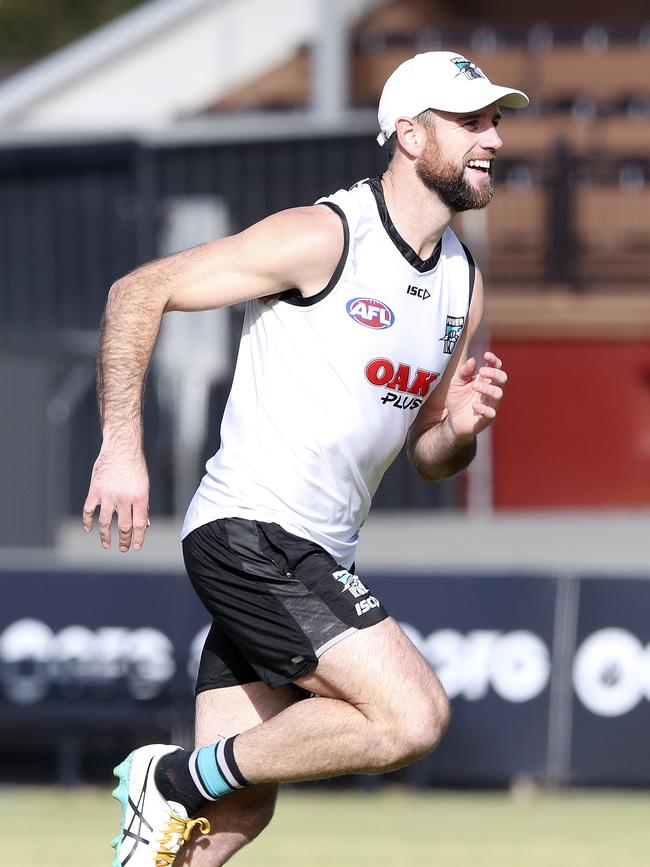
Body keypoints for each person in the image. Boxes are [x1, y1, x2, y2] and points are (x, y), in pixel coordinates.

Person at [83, 50, 527, 867]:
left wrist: (459, 427)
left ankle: (187, 794)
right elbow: (136, 291)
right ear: (406, 131)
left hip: (315, 550)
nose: (492, 136)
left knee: (236, 814)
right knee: (412, 714)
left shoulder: (463, 283)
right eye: (470, 120)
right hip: (252, 531)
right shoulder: (325, 235)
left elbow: (429, 456)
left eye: (495, 119)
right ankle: (174, 776)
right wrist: (120, 447)